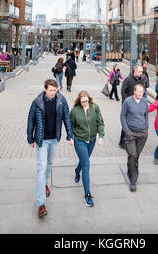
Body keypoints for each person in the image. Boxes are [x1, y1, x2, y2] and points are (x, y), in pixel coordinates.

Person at [27, 78, 73, 218]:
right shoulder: (37, 102)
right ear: (45, 89)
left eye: (55, 90)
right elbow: (31, 120)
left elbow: (66, 118)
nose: (53, 93)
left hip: (54, 139)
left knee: (49, 165)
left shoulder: (61, 100)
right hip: (41, 140)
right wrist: (30, 137)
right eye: (50, 90)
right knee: (42, 167)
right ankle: (41, 204)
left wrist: (69, 135)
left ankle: (45, 184)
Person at [71, 90, 105, 207]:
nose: (84, 103)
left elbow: (100, 122)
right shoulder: (75, 111)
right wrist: (70, 137)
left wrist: (101, 136)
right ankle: (88, 195)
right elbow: (71, 126)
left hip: (92, 140)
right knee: (86, 165)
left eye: (86, 101)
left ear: (89, 99)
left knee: (84, 161)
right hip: (79, 140)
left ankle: (76, 171)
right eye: (82, 102)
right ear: (79, 101)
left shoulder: (95, 107)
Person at [120, 84, 149, 192]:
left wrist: (146, 128)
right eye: (139, 91)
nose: (141, 94)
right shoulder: (128, 101)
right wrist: (126, 129)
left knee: (136, 156)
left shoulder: (145, 102)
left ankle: (130, 170)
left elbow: (146, 115)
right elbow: (122, 115)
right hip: (130, 133)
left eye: (142, 92)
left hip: (142, 133)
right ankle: (133, 180)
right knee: (133, 155)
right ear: (134, 92)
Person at [119, 65, 144, 149]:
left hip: (137, 105)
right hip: (128, 106)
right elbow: (123, 91)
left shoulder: (140, 80)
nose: (141, 73)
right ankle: (122, 142)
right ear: (135, 71)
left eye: (142, 72)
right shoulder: (128, 79)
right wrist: (128, 103)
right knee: (126, 123)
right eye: (140, 72)